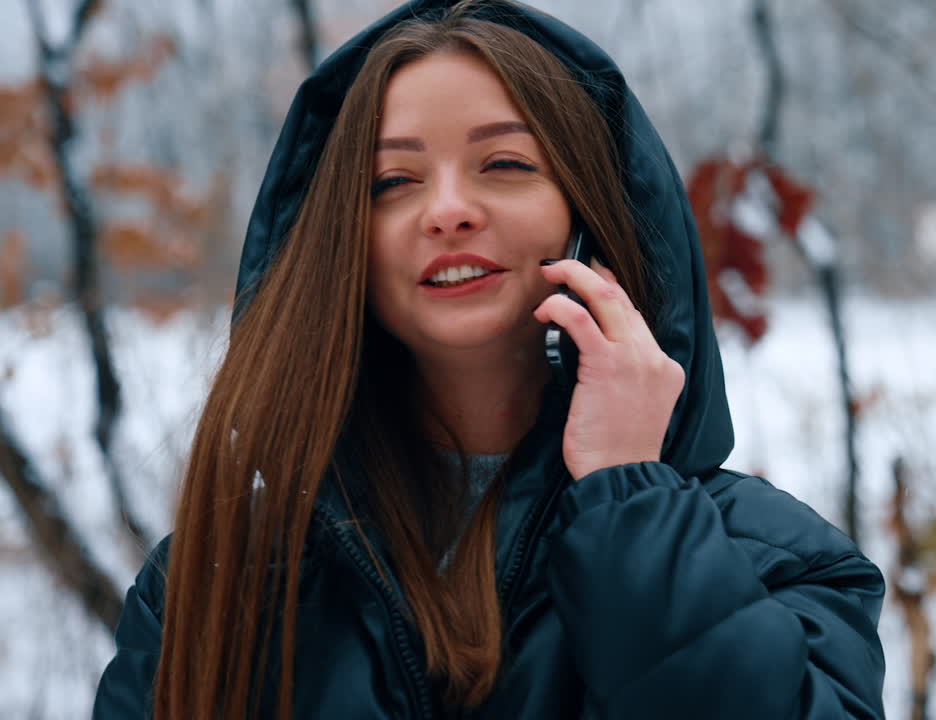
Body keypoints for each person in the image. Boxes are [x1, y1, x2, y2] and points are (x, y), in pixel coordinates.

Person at [91, 1, 886, 718]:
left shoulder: (777, 564)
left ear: (593, 219)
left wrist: (627, 497)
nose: (446, 212)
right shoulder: (217, 582)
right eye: (392, 180)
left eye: (504, 165)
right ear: (341, 248)